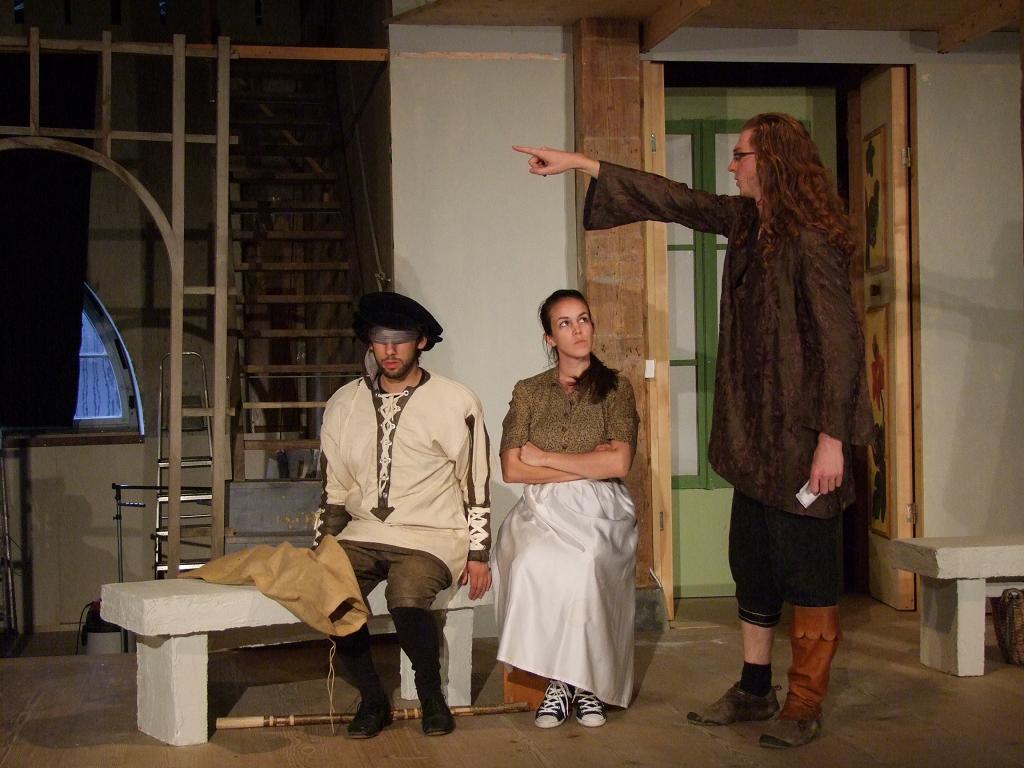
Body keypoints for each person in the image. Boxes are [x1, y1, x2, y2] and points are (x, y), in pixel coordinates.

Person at [514, 112, 873, 748]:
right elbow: (675, 199)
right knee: (752, 567)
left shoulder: (812, 240)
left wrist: (832, 439)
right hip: (756, 441)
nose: (731, 166)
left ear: (773, 161)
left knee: (810, 574)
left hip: (805, 441)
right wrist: (583, 164)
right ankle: (755, 689)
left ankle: (805, 702)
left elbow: (842, 346)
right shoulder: (749, 223)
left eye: (741, 155)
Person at [312, 291, 493, 738]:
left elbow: (475, 481)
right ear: (369, 343)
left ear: (422, 342)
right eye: (381, 338)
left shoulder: (456, 401)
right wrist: (323, 548)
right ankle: (373, 700)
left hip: (432, 533)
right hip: (363, 531)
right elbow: (334, 488)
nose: (390, 350)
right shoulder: (344, 403)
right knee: (328, 588)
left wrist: (478, 553)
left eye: (401, 339)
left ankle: (432, 697)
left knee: (407, 591)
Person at [492, 289, 639, 729]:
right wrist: (586, 462)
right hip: (539, 506)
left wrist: (544, 457)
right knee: (531, 563)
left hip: (602, 504)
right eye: (565, 323)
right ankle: (562, 680)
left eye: (583, 319)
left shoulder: (616, 388)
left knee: (586, 563)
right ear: (550, 338)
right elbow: (512, 468)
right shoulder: (529, 391)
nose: (578, 330)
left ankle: (583, 683)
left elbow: (619, 464)